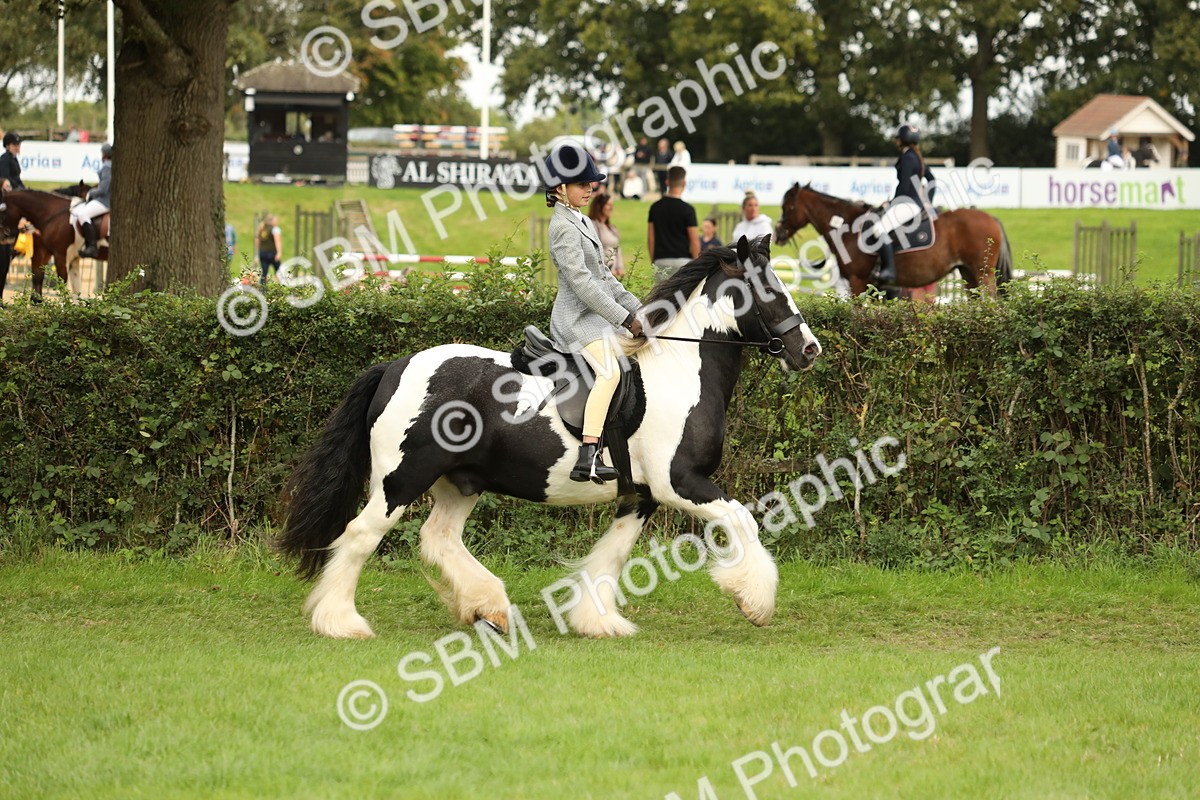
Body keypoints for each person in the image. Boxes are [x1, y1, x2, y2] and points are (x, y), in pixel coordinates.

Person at [543, 142, 643, 482]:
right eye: (582, 184)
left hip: (595, 318)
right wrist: (625, 320)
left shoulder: (582, 221)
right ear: (560, 188)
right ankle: (588, 454)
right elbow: (584, 285)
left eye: (591, 183)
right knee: (610, 372)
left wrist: (641, 311)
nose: (590, 189)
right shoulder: (562, 227)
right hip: (574, 322)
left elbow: (604, 278)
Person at [871, 124, 935, 284]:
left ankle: (889, 271)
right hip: (915, 203)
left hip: (907, 204)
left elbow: (904, 186)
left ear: (903, 140)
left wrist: (890, 203)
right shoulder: (917, 157)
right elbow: (932, 180)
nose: (896, 141)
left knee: (879, 229)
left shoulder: (907, 158)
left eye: (898, 139)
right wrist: (928, 203)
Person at [647, 165, 699, 283]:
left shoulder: (655, 208)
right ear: (684, 183)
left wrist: (653, 261)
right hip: (683, 261)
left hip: (661, 260)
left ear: (667, 182)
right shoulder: (688, 210)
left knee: (662, 299)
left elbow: (651, 238)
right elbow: (694, 240)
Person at [0, 131, 27, 304]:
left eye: (18, 144)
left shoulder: (14, 159)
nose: (18, 147)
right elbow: (6, 181)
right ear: (8, 145)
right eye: (15, 144)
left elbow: (17, 180)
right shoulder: (4, 159)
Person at [72, 143, 112, 258]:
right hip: (106, 199)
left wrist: (90, 193)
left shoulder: (107, 167)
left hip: (105, 201)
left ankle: (92, 247)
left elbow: (103, 189)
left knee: (82, 214)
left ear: (104, 154)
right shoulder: (110, 166)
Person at [588, 191, 625, 279]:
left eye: (612, 205)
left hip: (615, 272)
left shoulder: (611, 228)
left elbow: (617, 249)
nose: (611, 208)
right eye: (608, 204)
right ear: (600, 206)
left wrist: (620, 267)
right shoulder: (593, 225)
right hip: (603, 272)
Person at [257, 214, 282, 282]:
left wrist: (258, 252)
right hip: (272, 253)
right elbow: (277, 241)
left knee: (264, 273)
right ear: (272, 221)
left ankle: (262, 290)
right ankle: (282, 288)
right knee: (279, 272)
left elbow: (257, 241)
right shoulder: (275, 229)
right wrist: (279, 253)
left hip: (262, 253)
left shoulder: (262, 229)